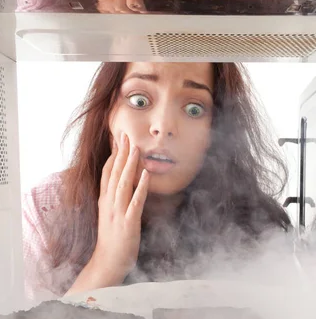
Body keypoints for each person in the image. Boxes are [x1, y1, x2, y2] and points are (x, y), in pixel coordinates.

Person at [22, 61, 291, 301]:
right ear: (107, 114)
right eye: (139, 100)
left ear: (216, 131)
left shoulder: (257, 227)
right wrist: (107, 263)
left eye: (194, 109)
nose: (163, 126)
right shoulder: (47, 209)